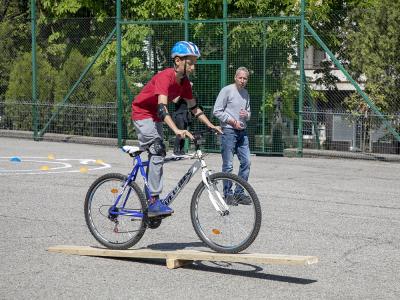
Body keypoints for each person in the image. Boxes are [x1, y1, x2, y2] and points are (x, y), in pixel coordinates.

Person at [131, 41, 222, 217]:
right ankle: (153, 202)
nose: (193, 67)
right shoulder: (165, 76)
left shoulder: (185, 83)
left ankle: (149, 195)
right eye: (191, 62)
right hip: (142, 113)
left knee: (157, 154)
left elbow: (194, 108)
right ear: (178, 60)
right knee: (157, 149)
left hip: (155, 117)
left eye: (195, 63)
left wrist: (211, 125)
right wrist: (177, 131)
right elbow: (162, 108)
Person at [213, 67, 252, 205]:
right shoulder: (227, 90)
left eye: (245, 78)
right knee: (228, 165)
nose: (242, 81)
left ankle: (239, 193)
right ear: (235, 78)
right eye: (240, 78)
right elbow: (216, 111)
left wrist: (246, 115)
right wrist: (232, 121)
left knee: (246, 162)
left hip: (242, 132)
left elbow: (248, 113)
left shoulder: (246, 93)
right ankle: (228, 194)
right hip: (229, 131)